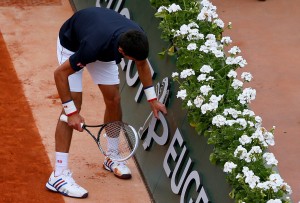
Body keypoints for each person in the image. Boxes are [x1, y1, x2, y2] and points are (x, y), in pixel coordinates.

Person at [45, 7, 167, 198]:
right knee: (74, 103)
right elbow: (59, 74)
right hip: (73, 44)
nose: (135, 61)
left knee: (114, 99)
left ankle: (112, 156)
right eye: (131, 59)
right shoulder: (92, 46)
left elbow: (142, 63)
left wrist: (152, 99)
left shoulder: (137, 37)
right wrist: (71, 112)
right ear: (122, 51)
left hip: (101, 43)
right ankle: (58, 176)